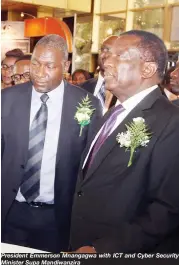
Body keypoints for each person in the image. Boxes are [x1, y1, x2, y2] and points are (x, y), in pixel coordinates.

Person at [70, 30, 179, 253]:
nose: (106, 62)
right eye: (107, 54)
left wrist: (103, 249)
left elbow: (168, 208)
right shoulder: (112, 113)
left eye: (119, 55)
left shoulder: (171, 122)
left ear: (147, 69)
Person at [1, 34, 101, 252]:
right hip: (10, 210)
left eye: (49, 66)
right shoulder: (7, 99)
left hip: (56, 216)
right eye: (36, 64)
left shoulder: (87, 105)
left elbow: (89, 166)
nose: (39, 73)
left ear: (65, 66)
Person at [80, 36, 118, 114]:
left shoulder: (127, 91)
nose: (105, 55)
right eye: (103, 49)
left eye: (111, 51)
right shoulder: (82, 88)